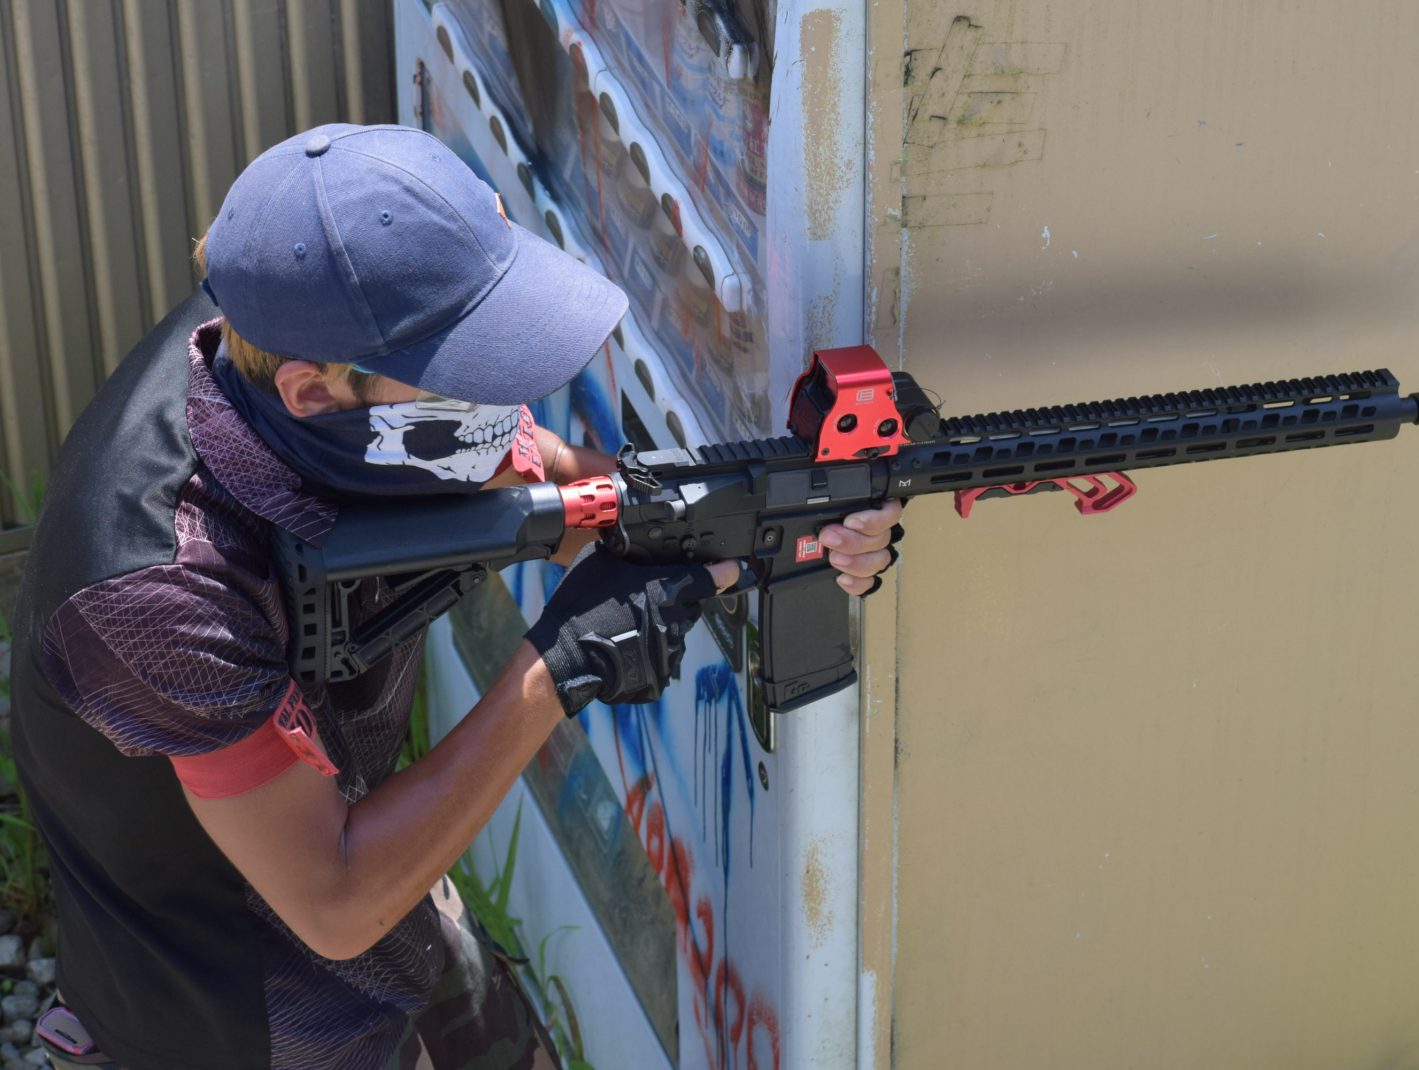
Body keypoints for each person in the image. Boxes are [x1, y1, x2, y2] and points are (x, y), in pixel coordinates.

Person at [8, 124, 902, 1070]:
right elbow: (336, 903)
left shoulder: (299, 332)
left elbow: (537, 473)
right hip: (247, 1014)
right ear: (314, 393)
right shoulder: (161, 589)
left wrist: (759, 523)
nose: (498, 400)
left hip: (387, 901)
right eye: (462, 373)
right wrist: (561, 666)